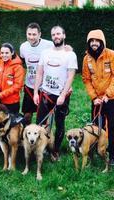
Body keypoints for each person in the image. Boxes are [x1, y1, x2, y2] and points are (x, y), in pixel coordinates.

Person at [33, 25, 78, 161]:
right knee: (40, 124)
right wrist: (35, 92)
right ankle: (40, 148)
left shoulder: (70, 54)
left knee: (59, 124)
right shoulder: (45, 53)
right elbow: (40, 73)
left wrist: (63, 95)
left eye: (58, 34)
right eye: (53, 35)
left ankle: (55, 150)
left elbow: (71, 76)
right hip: (45, 94)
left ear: (64, 35)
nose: (56, 37)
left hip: (61, 96)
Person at [82, 29, 114, 166]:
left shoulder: (112, 55)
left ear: (102, 42)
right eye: (91, 41)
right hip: (97, 99)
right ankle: (96, 151)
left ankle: (113, 155)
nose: (94, 43)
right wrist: (94, 97)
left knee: (112, 126)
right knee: (96, 127)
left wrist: (108, 95)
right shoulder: (86, 58)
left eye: (96, 41)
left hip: (112, 98)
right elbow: (86, 79)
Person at [20, 22, 53, 125]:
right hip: (29, 85)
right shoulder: (23, 47)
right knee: (27, 115)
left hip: (44, 86)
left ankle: (44, 137)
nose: (31, 37)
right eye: (29, 34)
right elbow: (21, 64)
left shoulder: (49, 45)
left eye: (34, 34)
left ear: (40, 34)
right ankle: (26, 135)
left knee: (44, 116)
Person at [0, 43, 25, 114]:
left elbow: (18, 86)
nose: (4, 55)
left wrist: (3, 94)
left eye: (7, 53)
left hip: (11, 102)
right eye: (2, 53)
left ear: (12, 52)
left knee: (10, 124)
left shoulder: (18, 67)